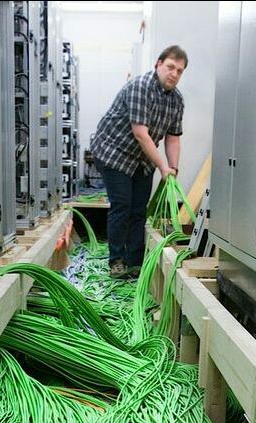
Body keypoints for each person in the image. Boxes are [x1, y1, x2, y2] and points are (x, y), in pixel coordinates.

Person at [91, 46, 187, 279]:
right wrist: (162, 166)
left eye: (179, 71)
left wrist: (173, 167)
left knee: (139, 210)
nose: (174, 73)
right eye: (170, 67)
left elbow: (173, 138)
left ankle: (135, 262)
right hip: (114, 152)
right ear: (158, 64)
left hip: (143, 160)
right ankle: (117, 261)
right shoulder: (140, 87)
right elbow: (141, 134)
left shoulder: (177, 100)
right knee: (122, 205)